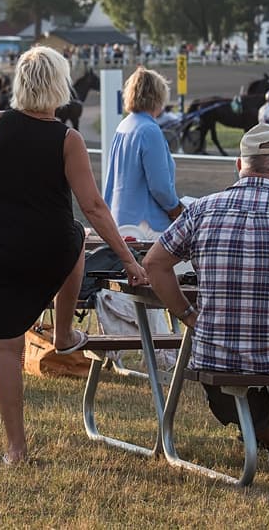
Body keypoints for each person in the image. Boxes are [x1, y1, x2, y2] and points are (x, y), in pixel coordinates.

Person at [0, 46, 147, 465]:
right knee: (77, 236)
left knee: (5, 350)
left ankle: (16, 449)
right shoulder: (68, 139)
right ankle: (63, 333)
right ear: (59, 86)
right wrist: (130, 262)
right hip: (51, 249)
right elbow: (94, 207)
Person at [142, 124, 269, 460]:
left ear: (238, 166)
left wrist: (187, 315)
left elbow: (154, 264)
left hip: (217, 355)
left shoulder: (202, 210)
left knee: (235, 368)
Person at [101, 65, 184, 370]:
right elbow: (160, 186)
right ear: (158, 97)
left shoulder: (124, 126)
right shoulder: (150, 130)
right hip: (147, 223)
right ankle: (170, 349)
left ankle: (160, 346)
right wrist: (176, 209)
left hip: (119, 218)